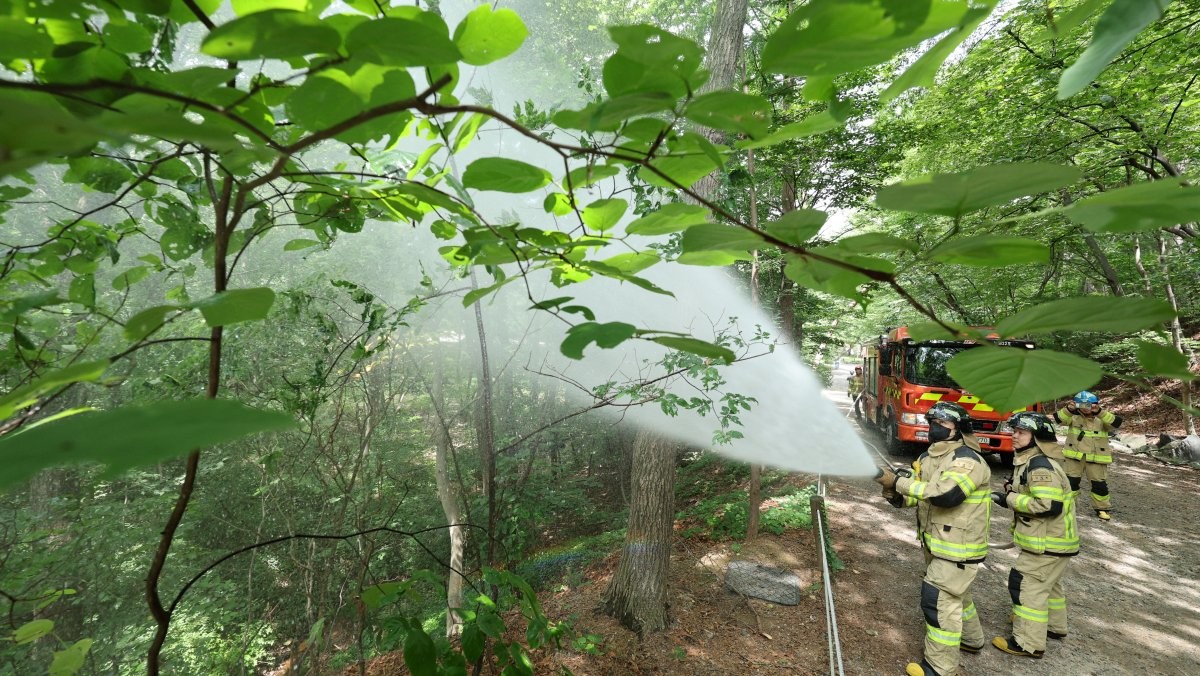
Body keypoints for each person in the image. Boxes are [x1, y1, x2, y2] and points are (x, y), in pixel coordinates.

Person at [875, 401, 991, 676]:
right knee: (956, 595)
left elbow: (945, 496)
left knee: (937, 599)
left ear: (958, 429)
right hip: (937, 542)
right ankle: (971, 640)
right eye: (931, 424)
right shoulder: (930, 458)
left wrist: (897, 482)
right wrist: (892, 492)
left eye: (941, 424)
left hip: (959, 547)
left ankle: (939, 668)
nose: (933, 429)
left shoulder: (967, 460)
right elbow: (918, 497)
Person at [990, 411, 1079, 660]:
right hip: (1057, 543)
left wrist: (1008, 499)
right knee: (1049, 586)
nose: (1014, 436)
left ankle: (1028, 643)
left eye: (1021, 432)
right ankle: (1054, 626)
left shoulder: (1040, 465)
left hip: (1048, 543)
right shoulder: (1033, 461)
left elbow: (1048, 505)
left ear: (1037, 438)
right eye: (1014, 431)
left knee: (1025, 585)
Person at [1056, 390, 1122, 521]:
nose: (1085, 408)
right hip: (1074, 457)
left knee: (1099, 485)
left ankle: (1102, 509)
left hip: (1097, 457)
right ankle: (1067, 506)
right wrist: (1069, 409)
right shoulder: (1073, 416)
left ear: (1095, 404)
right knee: (1071, 483)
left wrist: (1099, 412)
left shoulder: (1102, 417)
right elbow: (1059, 419)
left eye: (1089, 404)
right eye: (1082, 405)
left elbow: (1117, 423)